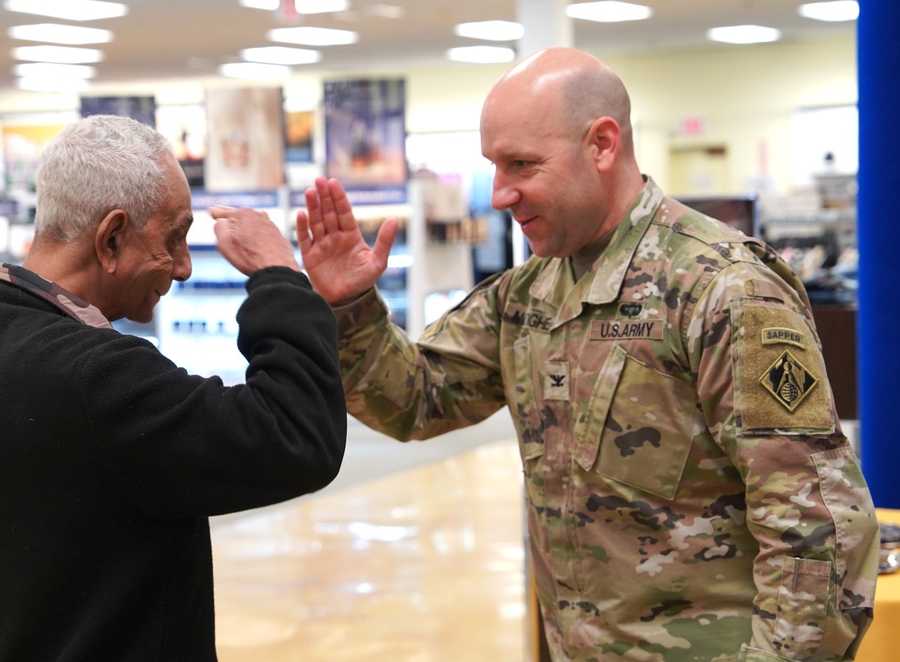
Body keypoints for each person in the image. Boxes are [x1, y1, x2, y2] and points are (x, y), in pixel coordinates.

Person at [293, 48, 879, 661]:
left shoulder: (720, 289)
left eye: (522, 164)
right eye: (494, 166)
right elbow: (417, 401)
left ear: (601, 145)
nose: (498, 195)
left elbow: (819, 529)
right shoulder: (529, 294)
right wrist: (353, 305)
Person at [0, 114, 347, 661]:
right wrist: (280, 277)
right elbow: (298, 434)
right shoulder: (97, 378)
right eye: (174, 238)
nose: (184, 267)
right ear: (112, 237)